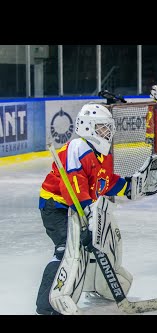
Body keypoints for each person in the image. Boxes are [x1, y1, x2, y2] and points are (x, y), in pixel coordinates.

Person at [36, 103, 134, 315]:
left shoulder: (102, 153)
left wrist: (128, 187)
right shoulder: (77, 148)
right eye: (101, 127)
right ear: (87, 127)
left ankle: (97, 286)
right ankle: (46, 305)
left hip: (79, 207)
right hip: (57, 206)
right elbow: (72, 186)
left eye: (107, 127)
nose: (107, 132)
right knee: (65, 251)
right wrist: (88, 223)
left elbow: (104, 181)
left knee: (88, 247)